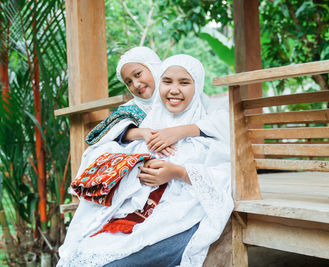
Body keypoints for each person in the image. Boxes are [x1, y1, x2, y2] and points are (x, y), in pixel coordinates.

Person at [57, 54, 233, 266]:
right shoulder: (150, 123)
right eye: (167, 82)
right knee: (80, 256)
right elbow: (101, 145)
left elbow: (224, 177)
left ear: (197, 86)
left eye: (184, 82)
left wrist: (175, 172)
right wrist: (139, 164)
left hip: (180, 219)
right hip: (137, 216)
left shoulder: (208, 129)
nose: (174, 89)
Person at [86, 47, 229, 158]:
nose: (135, 84)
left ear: (154, 68)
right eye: (128, 82)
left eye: (138, 74)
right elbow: (106, 134)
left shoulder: (193, 99)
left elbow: (221, 121)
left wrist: (180, 131)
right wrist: (143, 133)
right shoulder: (132, 109)